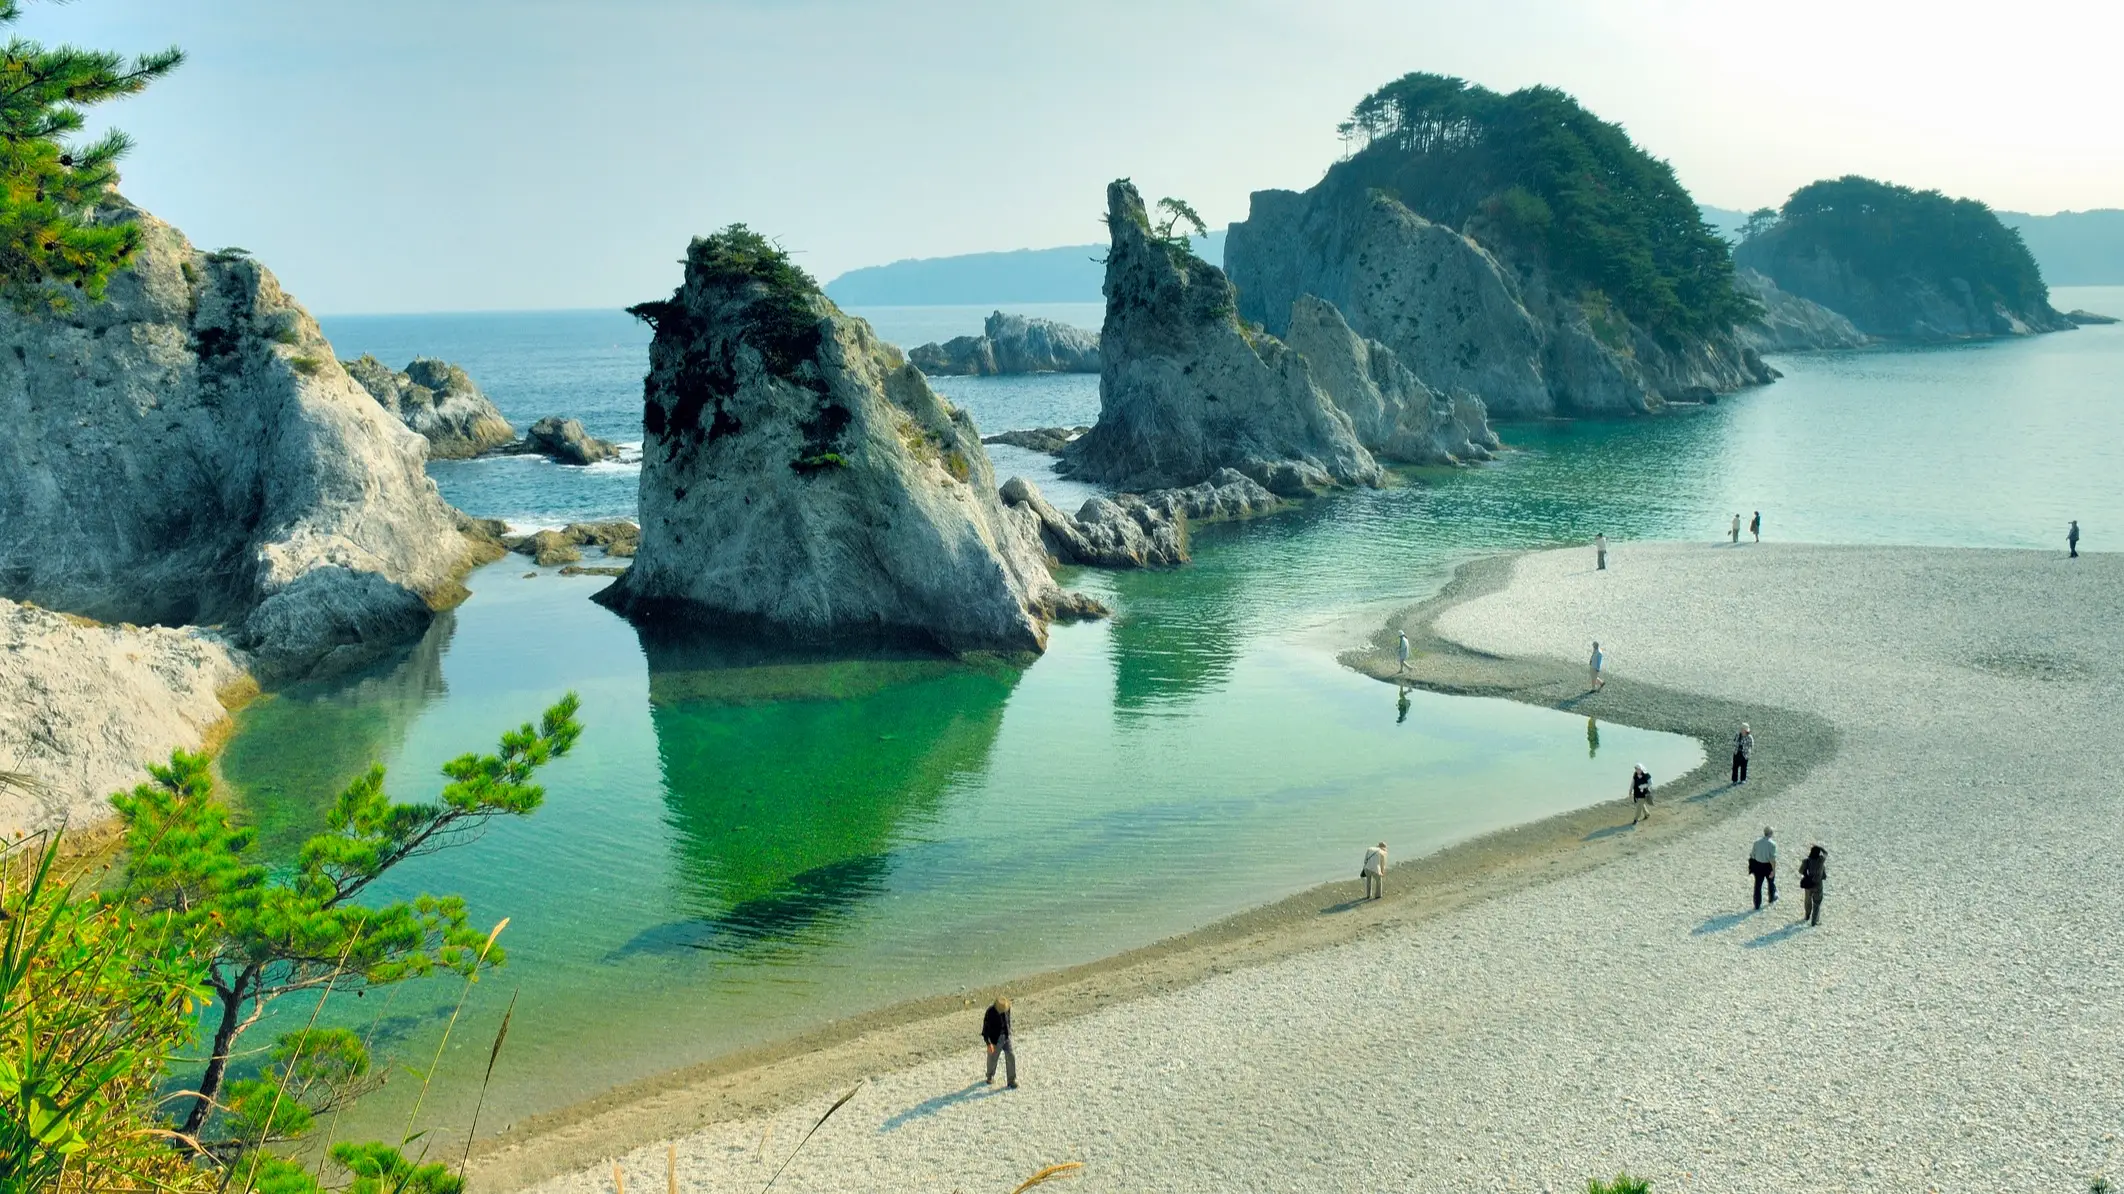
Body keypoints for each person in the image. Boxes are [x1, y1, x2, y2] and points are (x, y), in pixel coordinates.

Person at [981, 996, 1017, 1088]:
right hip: (994, 1039)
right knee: (992, 1059)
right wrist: (988, 1043)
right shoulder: (990, 1012)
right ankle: (990, 1076)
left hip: (1006, 1036)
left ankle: (1011, 1080)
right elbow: (985, 1029)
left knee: (1011, 1056)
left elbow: (1008, 1020)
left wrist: (1008, 1032)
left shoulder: (1007, 1008)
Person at [1748, 827, 1778, 909]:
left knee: (1758, 885)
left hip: (1758, 865)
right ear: (1771, 833)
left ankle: (1757, 904)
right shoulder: (1772, 844)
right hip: (1768, 866)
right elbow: (1772, 859)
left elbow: (1752, 855)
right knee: (1771, 883)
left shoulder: (1756, 842)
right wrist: (1773, 870)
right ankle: (1771, 898)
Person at [1799, 845, 1828, 926]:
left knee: (1808, 900)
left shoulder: (1807, 861)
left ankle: (1807, 915)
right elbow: (1826, 853)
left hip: (1808, 884)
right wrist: (1820, 847)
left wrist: (1806, 873)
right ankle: (1814, 921)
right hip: (1818, 884)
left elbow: (1800, 871)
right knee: (1817, 902)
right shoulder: (1821, 860)